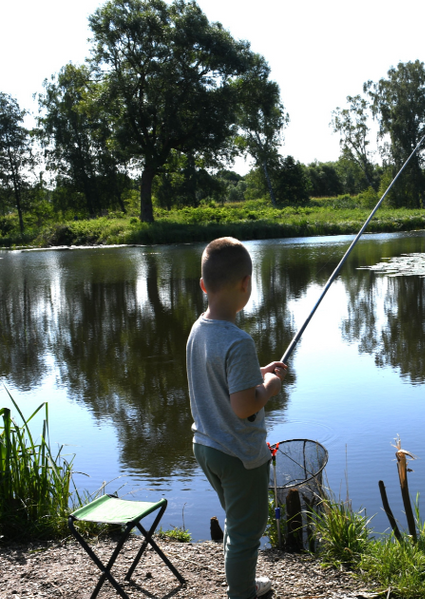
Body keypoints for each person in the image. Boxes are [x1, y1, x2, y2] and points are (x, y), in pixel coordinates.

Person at [187, 237, 286, 599]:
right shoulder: (238, 340)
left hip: (206, 447)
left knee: (236, 520)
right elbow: (245, 406)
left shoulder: (199, 329)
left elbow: (220, 376)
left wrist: (257, 371)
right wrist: (271, 385)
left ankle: (239, 583)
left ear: (203, 285)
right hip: (238, 455)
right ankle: (241, 593)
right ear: (246, 282)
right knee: (247, 531)